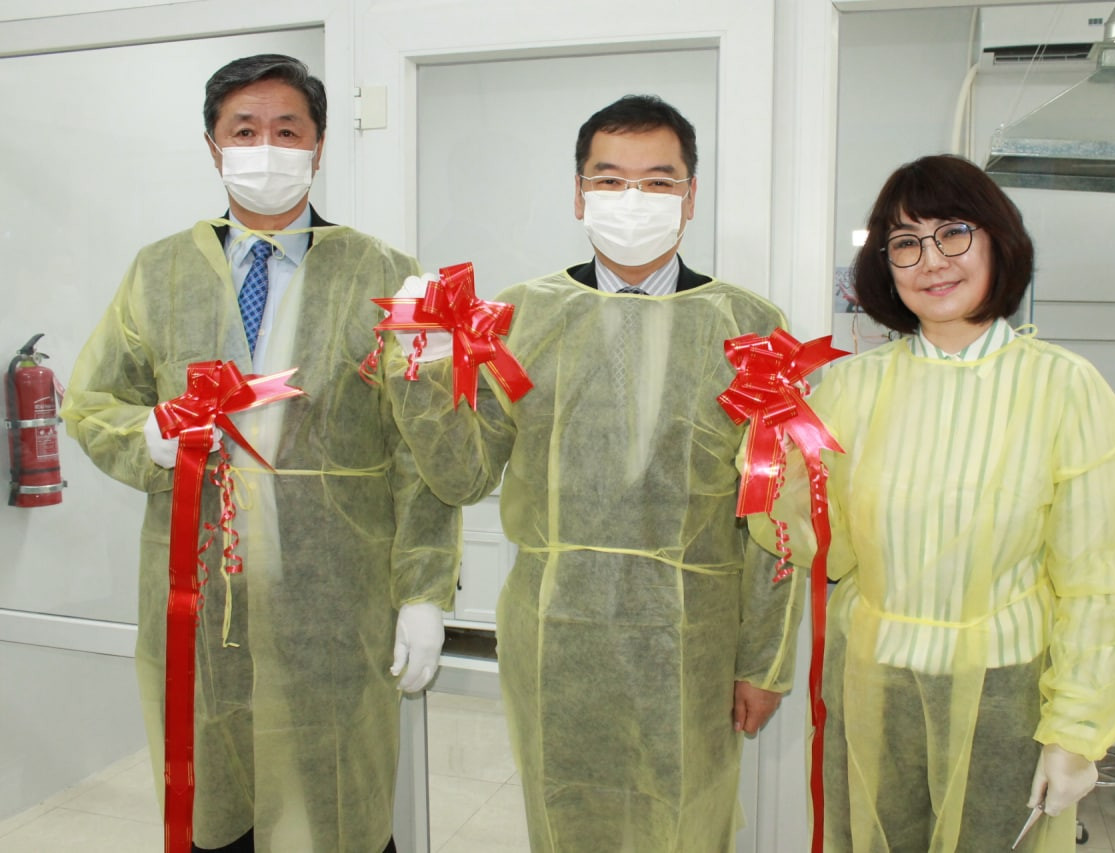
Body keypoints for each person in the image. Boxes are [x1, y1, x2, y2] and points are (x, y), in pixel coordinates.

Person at [61, 54, 459, 853]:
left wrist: (424, 592)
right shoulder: (160, 272)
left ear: (319, 147)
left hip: (336, 599)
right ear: (214, 147)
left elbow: (422, 447)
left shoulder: (384, 274)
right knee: (217, 807)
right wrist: (148, 437)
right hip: (203, 597)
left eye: (287, 130)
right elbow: (92, 401)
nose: (265, 149)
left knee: (337, 807)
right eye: (244, 131)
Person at [391, 94, 806, 852]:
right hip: (556, 632)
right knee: (565, 816)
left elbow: (779, 515)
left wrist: (766, 661)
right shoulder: (521, 316)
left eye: (658, 181)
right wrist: (420, 367)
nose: (633, 199)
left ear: (690, 197)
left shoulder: (749, 328)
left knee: (685, 822)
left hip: (693, 639)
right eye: (610, 180)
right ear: (579, 194)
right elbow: (463, 475)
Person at [748, 154, 1115, 851]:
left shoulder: (1065, 389)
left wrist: (1075, 731)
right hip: (873, 686)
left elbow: (1103, 578)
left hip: (1005, 697)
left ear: (1000, 241)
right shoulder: (849, 389)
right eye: (906, 243)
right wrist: (768, 449)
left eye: (954, 233)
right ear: (885, 266)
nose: (932, 260)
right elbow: (819, 544)